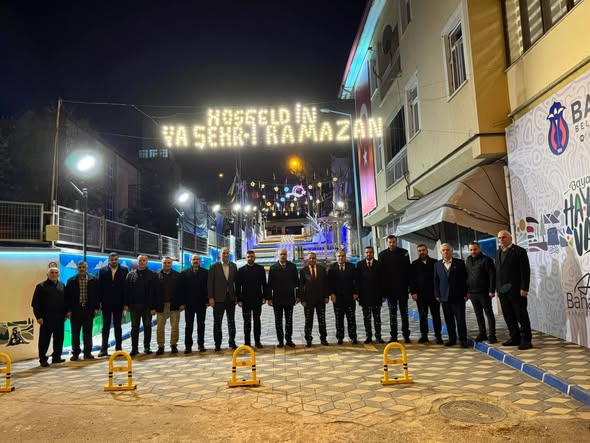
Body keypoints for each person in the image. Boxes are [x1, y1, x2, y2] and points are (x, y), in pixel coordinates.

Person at [496, 230, 532, 350]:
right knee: (508, 315)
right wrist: (497, 289)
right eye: (499, 238)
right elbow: (498, 272)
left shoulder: (519, 251)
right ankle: (515, 337)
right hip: (503, 292)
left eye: (504, 237)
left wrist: (524, 288)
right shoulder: (498, 252)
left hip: (517, 291)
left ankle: (526, 340)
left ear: (510, 238)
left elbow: (525, 271)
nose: (501, 240)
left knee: (521, 316)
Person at [31, 266, 69, 367]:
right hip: (46, 318)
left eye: (56, 273)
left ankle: (56, 357)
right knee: (44, 340)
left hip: (60, 318)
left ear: (58, 275)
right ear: (47, 274)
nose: (54, 274)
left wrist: (67, 312)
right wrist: (38, 317)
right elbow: (35, 304)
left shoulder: (62, 285)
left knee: (59, 339)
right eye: (52, 272)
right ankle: (42, 359)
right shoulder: (41, 286)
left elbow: (66, 301)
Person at [433, 243, 469, 348]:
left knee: (460, 320)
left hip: (458, 296)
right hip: (444, 297)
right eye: (443, 250)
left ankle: (463, 340)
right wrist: (437, 294)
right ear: (441, 252)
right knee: (449, 320)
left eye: (447, 250)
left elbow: (465, 279)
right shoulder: (437, 265)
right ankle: (452, 339)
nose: (445, 252)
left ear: (451, 251)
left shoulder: (460, 263)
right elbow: (436, 280)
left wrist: (466, 293)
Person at [378, 235, 411, 343]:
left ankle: (406, 335)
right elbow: (381, 275)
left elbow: (408, 271)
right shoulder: (382, 255)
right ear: (387, 243)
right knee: (392, 314)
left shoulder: (404, 252)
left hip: (402, 290)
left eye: (393, 242)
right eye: (390, 242)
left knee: (404, 314)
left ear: (396, 242)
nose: (392, 244)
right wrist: (383, 293)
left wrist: (409, 287)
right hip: (390, 291)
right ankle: (394, 336)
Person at [65, 261, 99, 361]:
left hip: (89, 310)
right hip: (75, 311)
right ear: (77, 268)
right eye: (80, 267)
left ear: (86, 267)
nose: (81, 269)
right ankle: (75, 353)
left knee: (88, 333)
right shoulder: (71, 281)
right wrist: (68, 310)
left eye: (83, 267)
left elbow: (97, 295)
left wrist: (96, 308)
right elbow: (67, 297)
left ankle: (87, 353)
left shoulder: (94, 280)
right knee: (75, 333)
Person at [410, 244, 443, 344]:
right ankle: (424, 336)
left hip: (433, 295)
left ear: (427, 251)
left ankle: (438, 336)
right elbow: (412, 280)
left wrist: (439, 293)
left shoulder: (435, 263)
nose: (422, 252)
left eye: (423, 250)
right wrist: (413, 292)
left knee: (436, 316)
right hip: (421, 296)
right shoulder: (414, 264)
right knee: (422, 316)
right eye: (420, 251)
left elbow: (439, 278)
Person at [124, 255, 156, 357]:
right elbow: (126, 291)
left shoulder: (152, 275)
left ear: (147, 262)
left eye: (144, 260)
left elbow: (154, 292)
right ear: (137, 262)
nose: (142, 262)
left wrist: (153, 307)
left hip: (147, 307)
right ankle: (134, 348)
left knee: (147, 327)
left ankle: (147, 347)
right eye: (140, 260)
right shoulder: (130, 275)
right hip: (134, 306)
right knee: (134, 328)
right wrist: (126, 304)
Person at [97, 252, 128, 357]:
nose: (114, 261)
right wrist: (99, 302)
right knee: (105, 326)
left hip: (119, 303)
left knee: (118, 326)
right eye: (112, 259)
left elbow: (125, 288)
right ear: (109, 260)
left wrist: (125, 303)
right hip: (106, 303)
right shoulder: (102, 271)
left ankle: (118, 348)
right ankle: (103, 349)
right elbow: (100, 287)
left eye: (115, 259)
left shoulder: (124, 270)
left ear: (118, 260)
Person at [466, 241, 497, 344]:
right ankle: (482, 333)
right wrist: (467, 291)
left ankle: (492, 335)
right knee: (478, 314)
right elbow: (467, 275)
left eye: (475, 249)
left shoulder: (487, 260)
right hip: (472, 293)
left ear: (479, 249)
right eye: (471, 250)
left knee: (489, 313)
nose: (473, 251)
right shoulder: (468, 260)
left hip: (484, 292)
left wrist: (492, 290)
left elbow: (492, 276)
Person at [236, 250, 268, 348]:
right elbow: (238, 286)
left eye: (252, 256)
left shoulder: (260, 269)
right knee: (247, 322)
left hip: (257, 300)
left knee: (257, 321)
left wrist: (265, 297)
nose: (250, 258)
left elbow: (264, 284)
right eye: (248, 257)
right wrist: (239, 299)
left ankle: (257, 341)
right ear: (246, 258)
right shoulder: (241, 270)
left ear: (255, 258)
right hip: (245, 301)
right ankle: (247, 342)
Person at [208, 247, 238, 351]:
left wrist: (236, 296)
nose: (225, 255)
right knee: (218, 322)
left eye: (227, 253)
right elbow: (210, 283)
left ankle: (232, 342)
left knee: (231, 321)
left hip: (230, 298)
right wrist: (211, 297)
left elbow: (236, 282)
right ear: (220, 254)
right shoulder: (213, 266)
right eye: (224, 253)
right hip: (218, 299)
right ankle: (217, 344)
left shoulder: (233, 266)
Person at [267, 248, 299, 348]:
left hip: (289, 298)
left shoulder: (292, 267)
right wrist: (269, 298)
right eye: (281, 254)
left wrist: (298, 296)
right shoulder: (273, 268)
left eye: (284, 254)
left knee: (289, 320)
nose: (283, 256)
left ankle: (289, 340)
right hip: (277, 299)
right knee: (278, 321)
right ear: (278, 255)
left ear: (287, 255)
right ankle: (280, 340)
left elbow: (297, 283)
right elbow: (269, 284)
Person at [179, 254, 209, 353]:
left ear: (200, 261)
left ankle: (201, 344)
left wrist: (207, 301)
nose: (195, 261)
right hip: (189, 304)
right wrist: (182, 303)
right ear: (190, 261)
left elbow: (207, 288)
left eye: (197, 259)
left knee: (201, 325)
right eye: (194, 259)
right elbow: (182, 290)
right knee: (189, 325)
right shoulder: (184, 273)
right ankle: (188, 346)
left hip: (201, 304)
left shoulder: (206, 273)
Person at [328, 249, 358, 345]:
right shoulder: (331, 268)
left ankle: (353, 337)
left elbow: (356, 281)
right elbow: (329, 283)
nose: (341, 258)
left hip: (350, 297)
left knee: (351, 318)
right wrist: (331, 294)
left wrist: (356, 293)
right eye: (339, 256)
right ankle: (340, 337)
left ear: (345, 257)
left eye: (343, 256)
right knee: (339, 319)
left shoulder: (352, 267)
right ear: (336, 257)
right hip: (337, 298)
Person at [299, 252, 329, 347]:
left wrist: (326, 296)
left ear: (316, 259)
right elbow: (301, 286)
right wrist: (302, 300)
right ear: (307, 259)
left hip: (320, 299)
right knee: (308, 321)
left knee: (322, 320)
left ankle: (323, 339)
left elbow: (326, 284)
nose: (312, 260)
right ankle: (308, 339)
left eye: (313, 258)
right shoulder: (303, 271)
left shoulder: (322, 269)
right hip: (308, 301)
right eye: (310, 258)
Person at [356, 246, 384, 344]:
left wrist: (383, 295)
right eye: (367, 252)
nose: (369, 254)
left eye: (370, 252)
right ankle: (368, 336)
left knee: (377, 317)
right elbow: (357, 281)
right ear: (365, 253)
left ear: (373, 253)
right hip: (364, 296)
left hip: (377, 296)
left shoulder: (379, 264)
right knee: (366, 318)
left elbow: (382, 280)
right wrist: (357, 294)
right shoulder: (360, 264)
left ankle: (378, 336)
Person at [154, 257, 182, 355]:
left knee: (175, 326)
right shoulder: (156, 276)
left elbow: (181, 291)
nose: (166, 264)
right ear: (162, 263)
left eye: (168, 263)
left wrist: (182, 303)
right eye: (165, 263)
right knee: (160, 327)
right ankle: (160, 346)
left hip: (174, 304)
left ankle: (173, 345)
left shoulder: (177, 275)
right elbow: (153, 292)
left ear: (171, 264)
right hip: (161, 305)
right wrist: (153, 307)